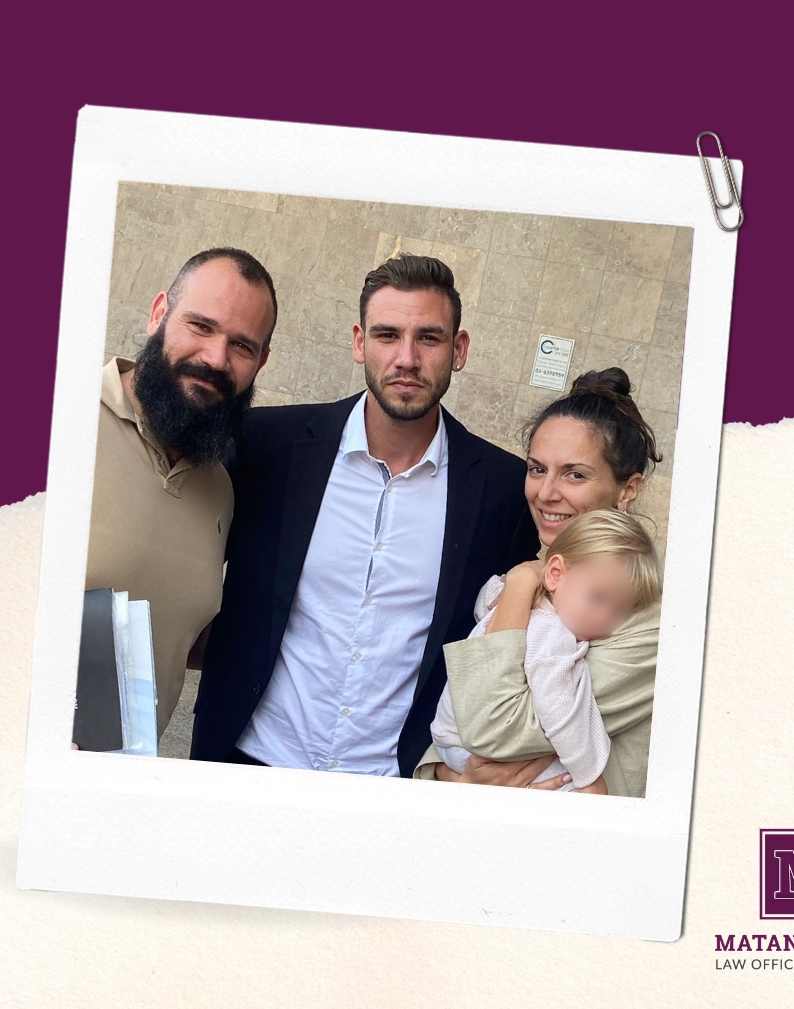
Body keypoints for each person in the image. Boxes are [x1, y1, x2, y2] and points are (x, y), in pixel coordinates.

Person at [190, 254, 538, 776]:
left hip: (392, 782)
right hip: (248, 762)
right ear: (359, 342)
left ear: (459, 350)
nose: (406, 358)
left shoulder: (503, 490)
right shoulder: (267, 445)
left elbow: (508, 642)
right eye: (387, 335)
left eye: (429, 338)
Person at [414, 367, 663, 797]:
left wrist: (520, 584)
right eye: (536, 469)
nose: (545, 493)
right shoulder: (533, 573)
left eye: (575, 474)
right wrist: (451, 777)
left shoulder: (649, 621)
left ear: (628, 490)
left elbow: (492, 727)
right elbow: (453, 719)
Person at [82, 246, 277, 740]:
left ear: (261, 362)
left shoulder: (220, 491)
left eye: (241, 346)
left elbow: (176, 635)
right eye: (201, 326)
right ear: (159, 314)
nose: (215, 358)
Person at [430, 508, 661, 793]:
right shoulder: (554, 633)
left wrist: (519, 581)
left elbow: (484, 604)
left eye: (621, 611)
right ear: (554, 574)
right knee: (569, 782)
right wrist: (589, 777)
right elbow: (560, 709)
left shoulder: (516, 601)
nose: (605, 618)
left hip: (447, 740)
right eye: (598, 598)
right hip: (470, 749)